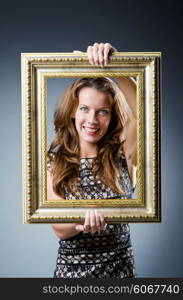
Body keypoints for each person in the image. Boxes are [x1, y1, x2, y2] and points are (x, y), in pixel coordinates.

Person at [47, 42, 137, 278]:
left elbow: (147, 108)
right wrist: (86, 216)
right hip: (72, 278)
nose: (92, 119)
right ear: (73, 111)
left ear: (112, 115)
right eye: (85, 108)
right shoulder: (54, 160)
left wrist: (114, 64)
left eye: (102, 111)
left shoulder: (124, 153)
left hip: (121, 275)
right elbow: (59, 228)